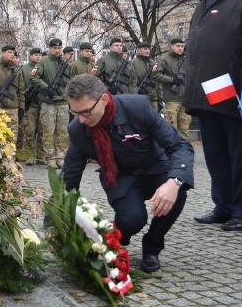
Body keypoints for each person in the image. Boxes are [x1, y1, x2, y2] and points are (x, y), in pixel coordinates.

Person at [62, 74, 193, 273]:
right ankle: (115, 238)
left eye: (86, 112)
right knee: (132, 220)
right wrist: (61, 216)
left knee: (176, 194)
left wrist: (174, 181)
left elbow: (179, 146)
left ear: (104, 100)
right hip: (119, 175)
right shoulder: (79, 130)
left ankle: (152, 247)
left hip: (155, 167)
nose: (81, 119)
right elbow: (70, 175)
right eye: (75, 112)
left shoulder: (137, 108)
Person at [184, 0, 242, 232]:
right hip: (207, 90)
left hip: (234, 90)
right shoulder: (204, 1)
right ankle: (223, 206)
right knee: (215, 153)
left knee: (240, 153)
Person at [31, 38, 70, 168]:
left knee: (63, 132)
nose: (57, 50)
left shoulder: (66, 64)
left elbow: (71, 81)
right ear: (50, 48)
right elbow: (33, 77)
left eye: (59, 48)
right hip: (48, 103)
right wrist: (46, 87)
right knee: (48, 132)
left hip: (63, 102)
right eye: (55, 48)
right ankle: (50, 158)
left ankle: (61, 157)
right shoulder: (42, 63)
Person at [153, 38, 192, 140]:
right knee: (171, 128)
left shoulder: (187, 59)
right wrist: (172, 80)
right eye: (177, 46)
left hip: (185, 98)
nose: (180, 48)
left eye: (182, 46)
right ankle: (173, 151)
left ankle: (185, 150)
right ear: (171, 46)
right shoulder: (163, 59)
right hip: (171, 98)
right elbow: (156, 76)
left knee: (185, 127)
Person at [19, 47, 42, 164]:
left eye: (39, 55)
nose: (38, 57)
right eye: (35, 55)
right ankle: (30, 155)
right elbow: (21, 86)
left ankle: (40, 155)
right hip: (30, 104)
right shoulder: (24, 68)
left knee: (42, 131)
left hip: (42, 103)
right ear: (31, 56)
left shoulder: (42, 66)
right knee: (29, 130)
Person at [130, 41, 159, 111]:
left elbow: (158, 82)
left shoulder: (153, 63)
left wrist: (159, 97)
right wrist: (136, 92)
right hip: (139, 98)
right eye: (145, 49)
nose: (147, 51)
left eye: (149, 49)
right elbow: (131, 82)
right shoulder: (132, 63)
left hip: (153, 98)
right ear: (138, 50)